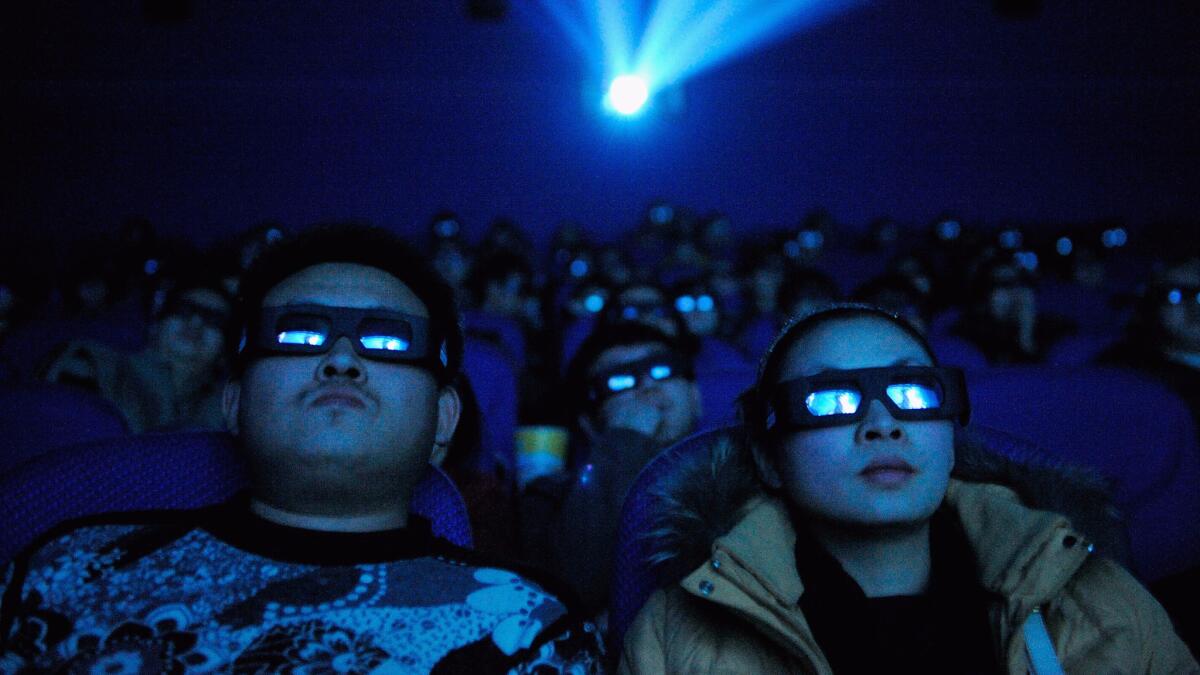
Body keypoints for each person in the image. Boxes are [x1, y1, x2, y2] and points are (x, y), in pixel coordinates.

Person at [1, 224, 602, 673]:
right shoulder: (69, 572)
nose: (341, 360)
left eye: (387, 340)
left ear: (444, 417)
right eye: (299, 334)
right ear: (233, 400)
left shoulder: (531, 630)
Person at [620, 305, 1195, 673]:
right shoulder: (679, 635)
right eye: (831, 400)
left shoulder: (1101, 603)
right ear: (770, 460)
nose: (883, 423)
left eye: (914, 393)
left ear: (950, 437)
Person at [521, 322, 701, 615]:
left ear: (696, 397)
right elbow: (573, 588)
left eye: (662, 370)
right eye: (620, 382)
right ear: (588, 424)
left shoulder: (747, 475)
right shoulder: (551, 497)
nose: (647, 387)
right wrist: (625, 440)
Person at [40, 273, 235, 432]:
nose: (196, 323)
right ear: (155, 325)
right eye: (183, 310)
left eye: (214, 320)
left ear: (225, 350)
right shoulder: (94, 363)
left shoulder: (231, 407)